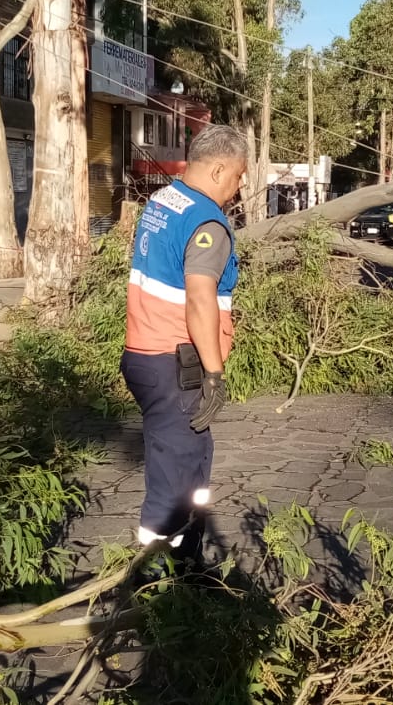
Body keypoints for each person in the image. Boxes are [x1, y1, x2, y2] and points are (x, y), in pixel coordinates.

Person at [121, 123, 249, 568]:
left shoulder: (164, 200)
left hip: (142, 353)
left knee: (187, 456)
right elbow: (200, 298)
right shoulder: (206, 221)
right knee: (177, 469)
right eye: (237, 177)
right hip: (174, 361)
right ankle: (160, 573)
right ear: (217, 170)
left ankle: (185, 560)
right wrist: (214, 373)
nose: (237, 188)